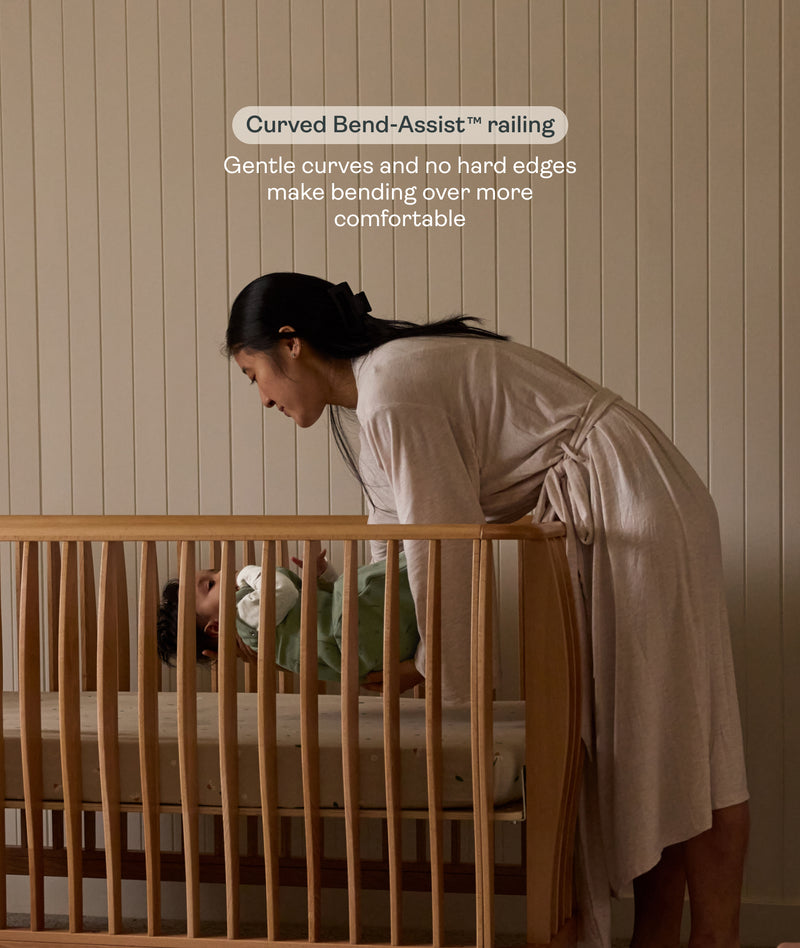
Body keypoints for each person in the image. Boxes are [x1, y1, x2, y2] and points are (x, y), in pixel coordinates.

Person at [222, 271, 750, 948]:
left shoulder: (390, 392)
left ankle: (717, 936)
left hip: (631, 503)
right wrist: (360, 626)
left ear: (290, 345)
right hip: (621, 498)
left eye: (252, 373)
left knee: (680, 738)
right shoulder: (375, 404)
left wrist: (445, 684)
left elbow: (444, 550)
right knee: (655, 744)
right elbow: (398, 553)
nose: (261, 398)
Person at [156, 546, 419, 683]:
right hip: (351, 633)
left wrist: (321, 576)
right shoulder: (243, 613)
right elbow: (282, 589)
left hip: (366, 651)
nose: (223, 572)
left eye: (213, 571)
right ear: (215, 628)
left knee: (353, 592)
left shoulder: (262, 632)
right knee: (366, 583)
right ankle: (426, 558)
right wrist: (246, 571)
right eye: (211, 584)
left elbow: (317, 608)